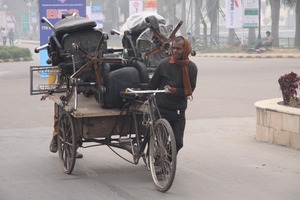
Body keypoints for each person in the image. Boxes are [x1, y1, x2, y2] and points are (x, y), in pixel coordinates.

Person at [147, 36, 198, 153]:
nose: (175, 51)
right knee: (162, 141)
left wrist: (174, 91)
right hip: (161, 110)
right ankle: (159, 162)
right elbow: (152, 85)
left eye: (178, 49)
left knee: (178, 143)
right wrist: (144, 96)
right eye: (173, 48)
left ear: (186, 50)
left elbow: (189, 90)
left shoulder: (191, 68)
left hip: (179, 112)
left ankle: (168, 161)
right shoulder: (163, 64)